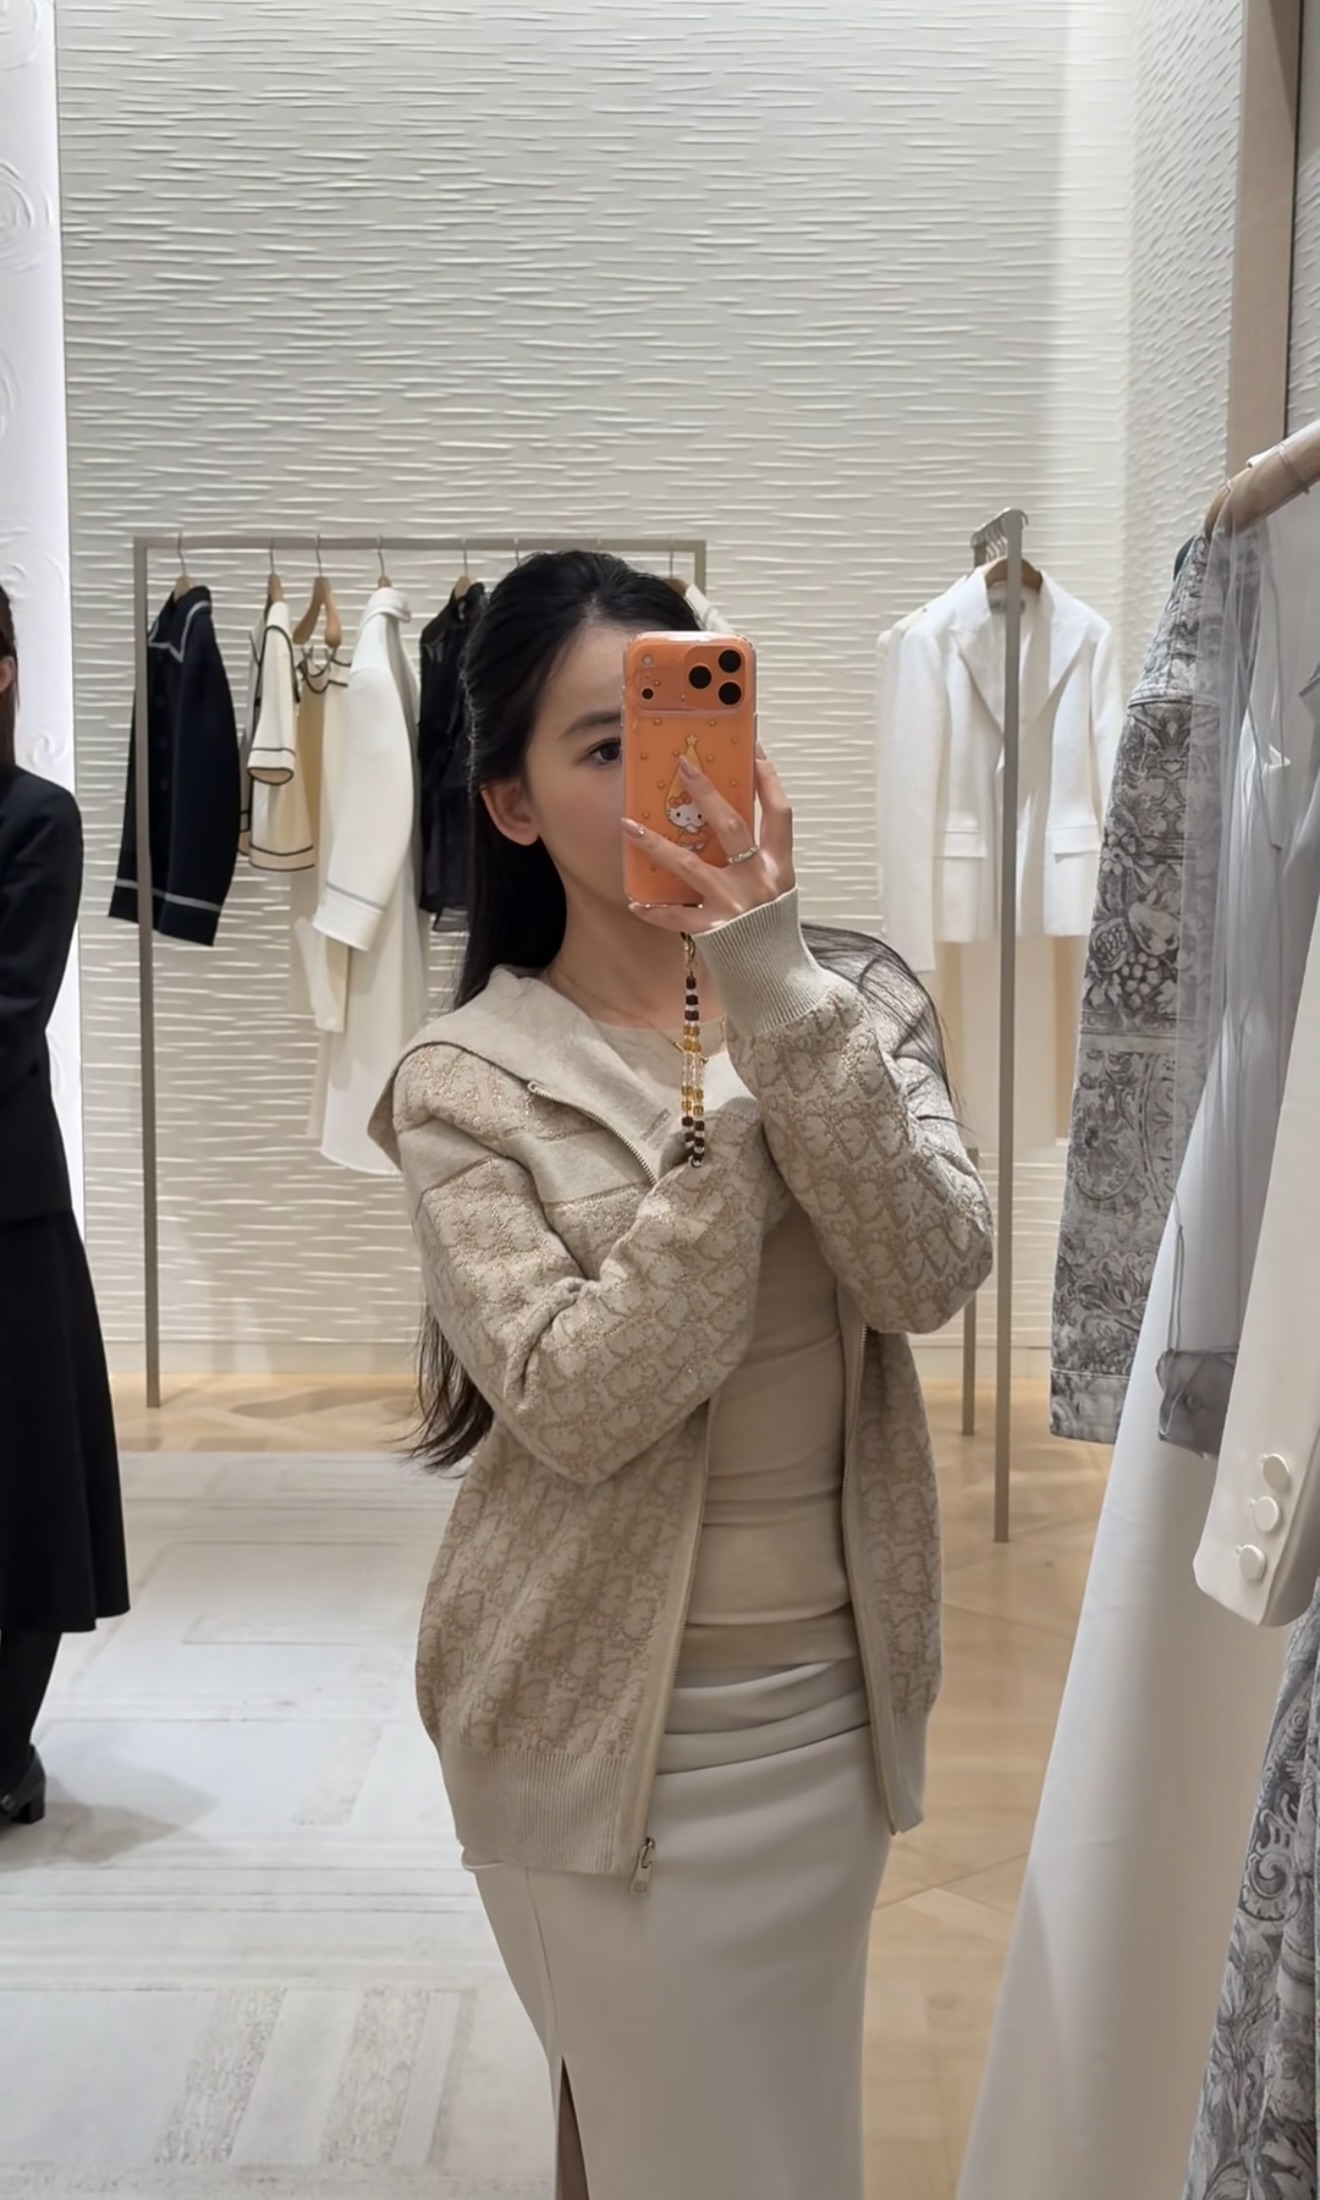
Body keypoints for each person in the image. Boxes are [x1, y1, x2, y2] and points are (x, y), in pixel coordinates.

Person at [369, 550, 993, 2200]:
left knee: (765, 2143)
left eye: (686, 727)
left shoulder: (851, 1001)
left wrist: (772, 985)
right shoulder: (466, 1083)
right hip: (584, 1740)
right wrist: (745, 1130)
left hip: (833, 1720)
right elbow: (579, 1398)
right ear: (509, 805)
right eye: (605, 744)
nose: (665, 780)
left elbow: (929, 1270)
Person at [0, 583, 128, 1829]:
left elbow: (10, 1007)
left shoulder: (36, 818)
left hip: (5, 1204)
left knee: (29, 1481)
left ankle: (3, 1745)